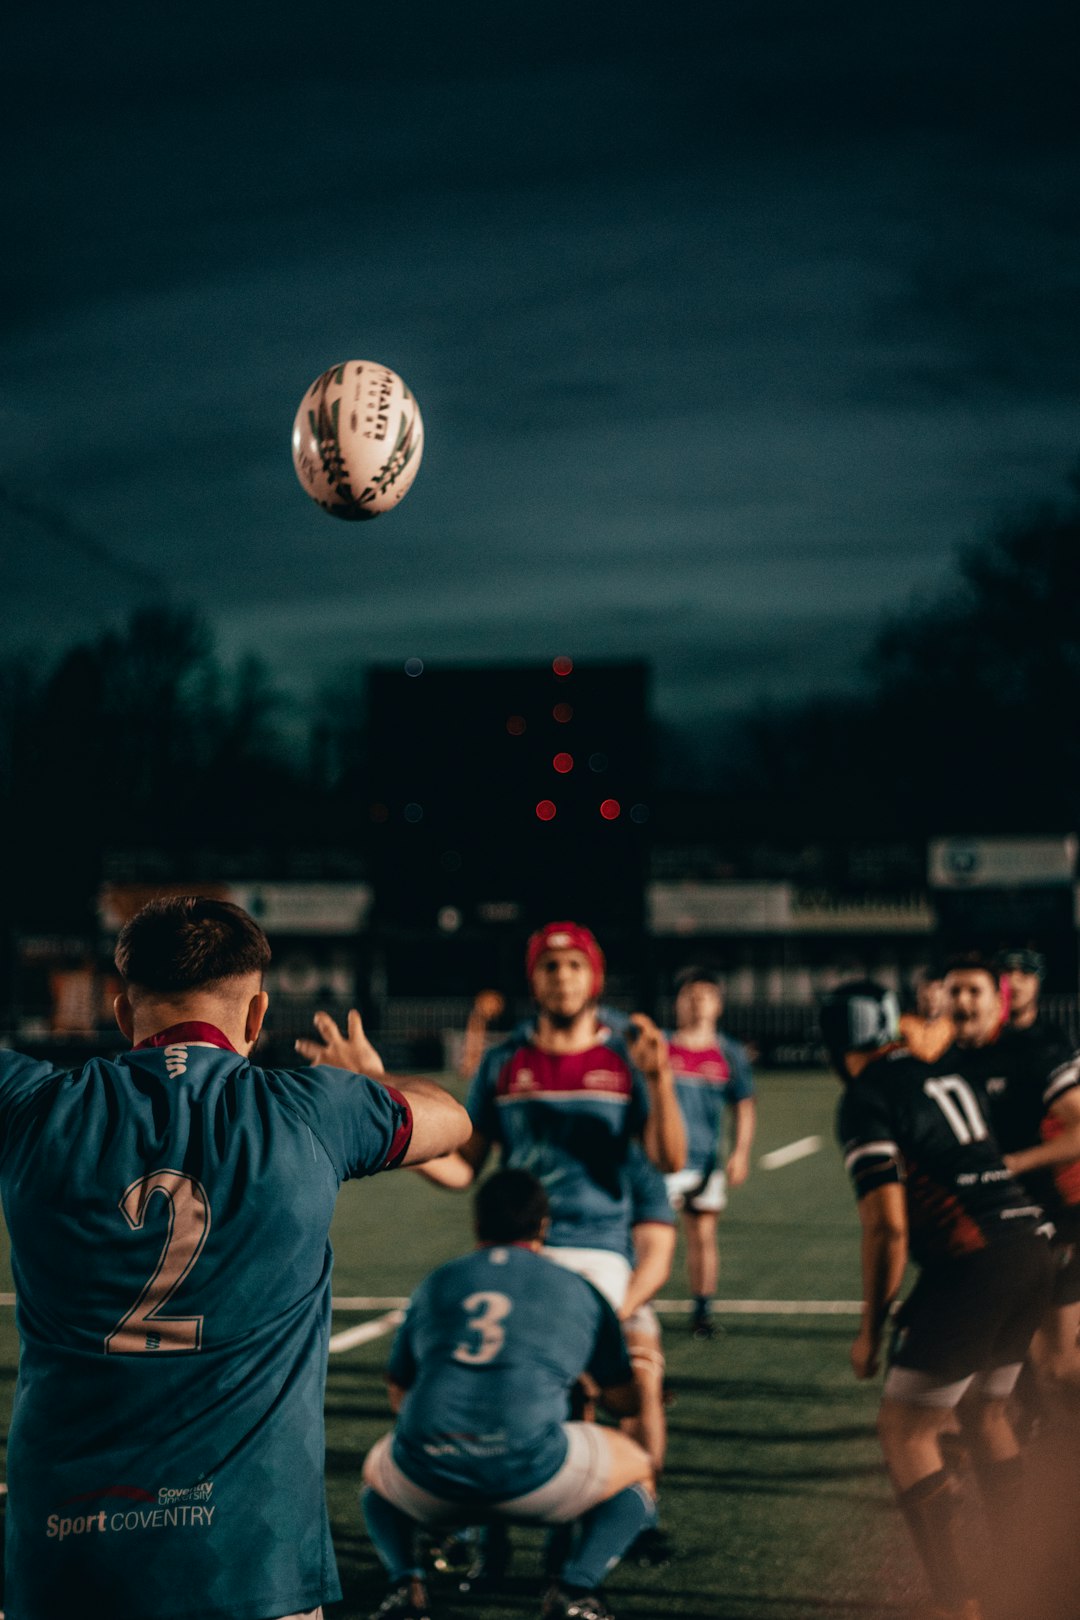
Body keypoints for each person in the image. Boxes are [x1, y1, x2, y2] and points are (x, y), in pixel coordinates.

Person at [0, 895, 470, 1620]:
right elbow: (451, 1120)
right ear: (257, 1018)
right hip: (250, 1564)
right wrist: (366, 1081)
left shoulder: (32, 1106)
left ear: (124, 1016)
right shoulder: (313, 1109)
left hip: (64, 1560)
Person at [821, 978, 1055, 1620]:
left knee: (906, 1429)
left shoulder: (865, 1098)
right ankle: (1025, 1571)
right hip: (1031, 1245)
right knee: (986, 1412)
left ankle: (961, 1605)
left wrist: (871, 1328)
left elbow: (888, 1226)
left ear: (834, 1045)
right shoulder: (937, 1073)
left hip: (979, 1265)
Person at [361, 1169, 656, 1620]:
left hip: (430, 1476)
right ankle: (576, 1589)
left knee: (376, 1477)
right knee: (638, 1468)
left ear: (478, 1225)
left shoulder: (440, 1281)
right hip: (533, 1474)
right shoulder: (579, 1288)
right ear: (542, 1227)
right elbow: (625, 1403)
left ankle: (406, 1585)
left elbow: (399, 1388)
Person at [416, 921, 685, 1312]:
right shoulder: (502, 1062)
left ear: (596, 977)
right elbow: (462, 1169)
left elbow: (669, 1160)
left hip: (600, 1249)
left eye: (576, 965)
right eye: (550, 966)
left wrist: (659, 1078)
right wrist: (395, 1143)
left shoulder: (628, 1055)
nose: (563, 977)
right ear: (534, 979)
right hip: (518, 1245)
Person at [943, 955, 1080, 1403]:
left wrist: (1013, 1164)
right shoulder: (942, 1064)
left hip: (1060, 1220)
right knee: (995, 1372)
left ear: (996, 1000)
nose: (962, 1001)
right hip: (992, 1233)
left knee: (1054, 1366)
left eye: (974, 991)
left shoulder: (1037, 1050)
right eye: (954, 991)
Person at [663, 966, 755, 1338]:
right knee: (652, 1237)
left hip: (705, 1164)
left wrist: (740, 1153)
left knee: (703, 1237)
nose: (699, 1002)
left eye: (706, 995)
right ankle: (631, 1309)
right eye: (691, 995)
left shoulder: (729, 1054)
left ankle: (702, 1313)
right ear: (679, 1003)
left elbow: (744, 1106)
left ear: (718, 1005)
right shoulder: (662, 1047)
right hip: (661, 1165)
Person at [899, 963, 954, 1064]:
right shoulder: (902, 1025)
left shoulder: (953, 1027)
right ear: (917, 996)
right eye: (926, 999)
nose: (931, 1003)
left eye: (935, 999)